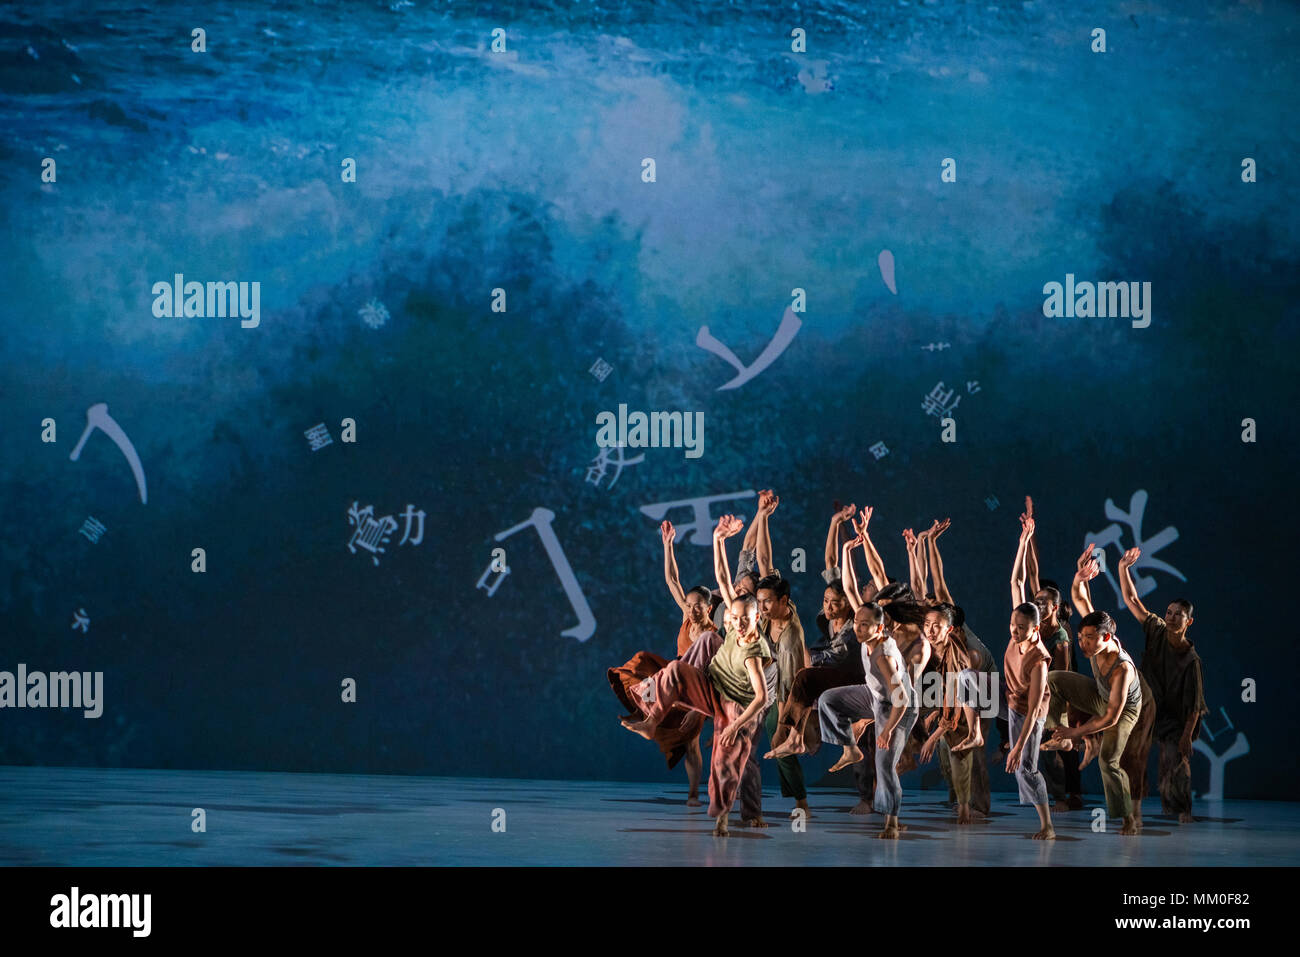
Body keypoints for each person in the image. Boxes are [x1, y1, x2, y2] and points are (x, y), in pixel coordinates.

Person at [621, 594, 773, 837]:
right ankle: (652, 720)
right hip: (714, 684)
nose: (738, 624)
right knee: (681, 663)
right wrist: (717, 552)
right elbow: (722, 576)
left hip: (736, 707)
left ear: (757, 618)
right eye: (734, 618)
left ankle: (722, 817)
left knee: (726, 760)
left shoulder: (753, 654)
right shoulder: (733, 629)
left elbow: (761, 698)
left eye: (745, 619)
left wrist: (733, 728)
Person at [1041, 545, 1144, 835]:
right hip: (1100, 697)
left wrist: (1077, 732)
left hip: (1122, 712)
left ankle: (1127, 818)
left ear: (1107, 637)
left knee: (1108, 761)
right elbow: (1078, 596)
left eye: (1089, 639)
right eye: (1080, 637)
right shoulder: (1095, 629)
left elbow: (1112, 717)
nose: (1083, 644)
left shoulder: (1122, 668)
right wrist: (1079, 577)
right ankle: (1058, 736)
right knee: (1056, 678)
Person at [1117, 547, 1208, 823]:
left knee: (1174, 761)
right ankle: (1131, 808)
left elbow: (1195, 706)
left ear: (1188, 621)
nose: (1170, 617)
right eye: (1168, 612)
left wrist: (1185, 737)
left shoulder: (1191, 660)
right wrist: (1123, 568)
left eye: (1177, 614)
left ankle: (1182, 810)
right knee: (1130, 755)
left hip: (1174, 718)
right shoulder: (1156, 629)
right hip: (1147, 707)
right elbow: (1132, 600)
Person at [816, 602, 919, 838]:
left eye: (865, 625)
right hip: (874, 695)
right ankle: (850, 749)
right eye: (857, 624)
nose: (858, 629)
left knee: (884, 763)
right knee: (828, 700)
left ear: (880, 628)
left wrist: (887, 730)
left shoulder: (884, 657)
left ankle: (891, 823)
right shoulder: (867, 641)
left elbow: (901, 698)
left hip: (898, 707)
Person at [657, 519, 716, 805]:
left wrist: (700, 706)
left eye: (698, 606)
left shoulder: (714, 634)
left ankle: (694, 793)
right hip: (676, 682)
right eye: (689, 605)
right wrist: (668, 545)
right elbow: (672, 580)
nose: (692, 610)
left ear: (710, 608)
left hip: (699, 689)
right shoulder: (685, 617)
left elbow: (714, 674)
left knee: (693, 741)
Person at [1005, 516, 1055, 839]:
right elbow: (1016, 583)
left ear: (1035, 629)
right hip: (1011, 700)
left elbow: (1035, 709)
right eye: (1013, 625)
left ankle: (1047, 826)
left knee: (1026, 766)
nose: (1014, 630)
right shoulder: (1017, 629)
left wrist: (1017, 746)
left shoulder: (1039, 660)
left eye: (1021, 629)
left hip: (1031, 712)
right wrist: (1023, 542)